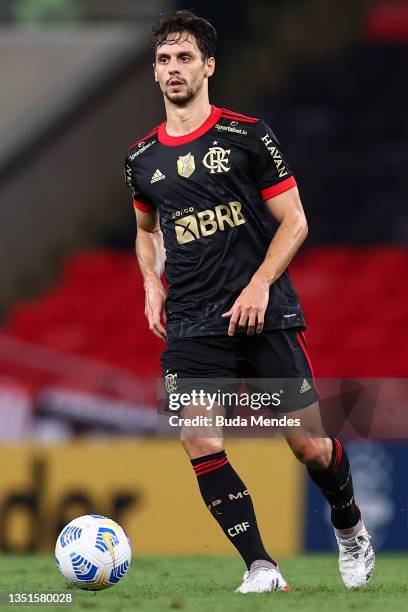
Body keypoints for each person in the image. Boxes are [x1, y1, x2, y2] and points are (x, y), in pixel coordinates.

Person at [125, 9, 375, 594]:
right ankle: (261, 567)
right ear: (155, 73)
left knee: (309, 445)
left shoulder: (247, 135)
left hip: (265, 315)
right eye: (164, 59)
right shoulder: (141, 159)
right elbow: (145, 229)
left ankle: (349, 523)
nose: (173, 69)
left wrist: (260, 284)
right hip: (191, 322)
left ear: (209, 66)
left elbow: (295, 222)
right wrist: (149, 284)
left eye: (185, 58)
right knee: (199, 437)